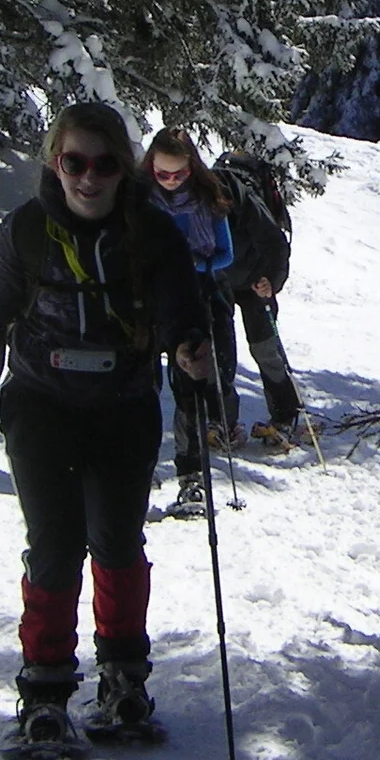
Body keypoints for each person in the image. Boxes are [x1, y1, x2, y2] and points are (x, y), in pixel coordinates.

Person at [0, 102, 212, 744]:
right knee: (55, 546)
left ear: (122, 168)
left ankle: (124, 682)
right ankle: (44, 692)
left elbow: (182, 310)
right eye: (74, 163)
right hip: (41, 405)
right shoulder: (26, 230)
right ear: (55, 164)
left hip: (124, 406)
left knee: (118, 543)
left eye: (102, 165)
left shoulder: (153, 233)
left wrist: (188, 348)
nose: (88, 178)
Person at [141, 127, 240, 518]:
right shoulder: (138, 199)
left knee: (189, 390)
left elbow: (226, 254)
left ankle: (191, 475)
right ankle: (139, 468)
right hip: (146, 300)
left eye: (178, 173)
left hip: (195, 298)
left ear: (191, 168)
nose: (170, 180)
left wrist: (190, 264)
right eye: (162, 173)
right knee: (142, 386)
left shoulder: (208, 200)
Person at [211, 151, 305, 450]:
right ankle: (225, 421)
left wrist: (271, 282)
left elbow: (274, 241)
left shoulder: (239, 195)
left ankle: (284, 416)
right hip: (222, 280)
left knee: (262, 349)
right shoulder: (193, 197)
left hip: (255, 281)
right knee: (222, 351)